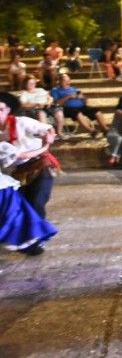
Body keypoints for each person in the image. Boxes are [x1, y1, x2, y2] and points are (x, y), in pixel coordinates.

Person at [0, 92, 59, 231]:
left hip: (39, 166)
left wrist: (49, 137)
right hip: (16, 173)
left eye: (1, 109)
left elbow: (47, 128)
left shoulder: (21, 122)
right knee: (20, 205)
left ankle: (37, 236)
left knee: (36, 202)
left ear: (8, 110)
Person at [0, 141, 58, 256]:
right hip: (3, 191)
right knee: (15, 213)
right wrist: (45, 147)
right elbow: (22, 155)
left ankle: (29, 242)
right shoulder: (2, 145)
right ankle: (25, 239)